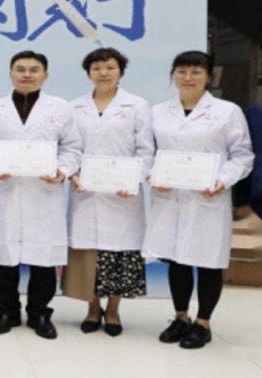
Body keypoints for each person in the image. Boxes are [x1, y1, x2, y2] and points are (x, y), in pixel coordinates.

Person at [145, 51, 254, 349]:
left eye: (195, 72)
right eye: (181, 72)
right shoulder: (158, 112)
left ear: (208, 77)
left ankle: (203, 323)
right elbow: (147, 153)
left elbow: (242, 155)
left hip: (208, 197)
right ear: (173, 76)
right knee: (176, 259)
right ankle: (181, 317)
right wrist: (152, 175)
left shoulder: (227, 111)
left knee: (208, 261)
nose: (188, 78)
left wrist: (222, 180)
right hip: (170, 196)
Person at [0, 50, 82, 340]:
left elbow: (72, 148)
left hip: (44, 193)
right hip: (6, 191)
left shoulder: (60, 108)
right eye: (20, 69)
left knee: (44, 260)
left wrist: (61, 171)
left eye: (34, 70)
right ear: (10, 74)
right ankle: (7, 312)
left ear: (45, 75)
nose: (27, 75)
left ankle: (39, 314)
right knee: (5, 258)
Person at [62, 48, 154, 337]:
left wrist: (134, 179)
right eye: (97, 68)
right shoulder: (74, 107)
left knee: (120, 254)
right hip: (85, 191)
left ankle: (113, 310)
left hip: (122, 194)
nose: (103, 73)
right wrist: (72, 175)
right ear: (89, 73)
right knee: (89, 255)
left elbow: (146, 150)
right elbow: (68, 148)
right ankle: (92, 309)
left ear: (121, 72)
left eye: (110, 67)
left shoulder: (137, 105)